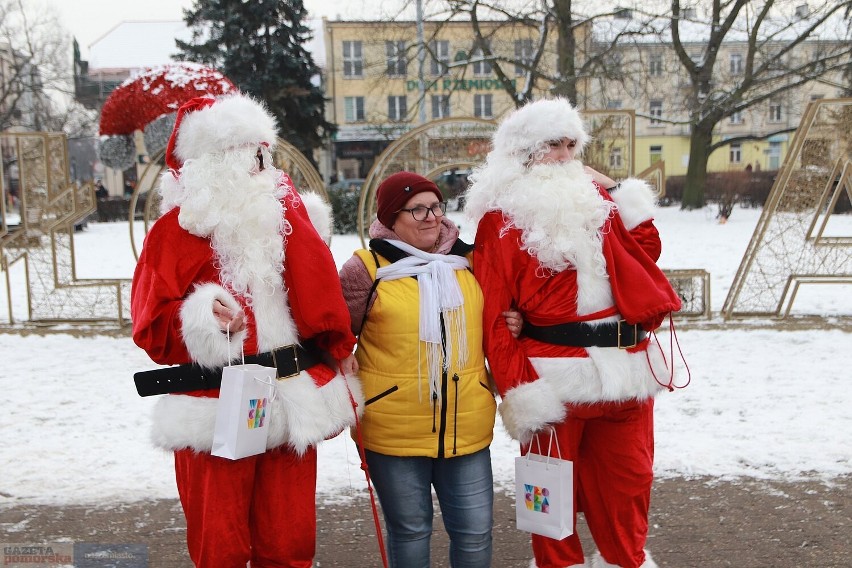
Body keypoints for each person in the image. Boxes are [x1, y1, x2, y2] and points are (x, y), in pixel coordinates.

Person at [131, 93, 363, 568]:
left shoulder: (289, 221)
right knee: (221, 544)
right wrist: (205, 319)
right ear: (211, 165)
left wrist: (339, 347)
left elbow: (320, 297)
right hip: (216, 405)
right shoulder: (174, 233)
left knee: (290, 541)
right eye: (249, 154)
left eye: (265, 154)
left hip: (288, 397)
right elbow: (152, 326)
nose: (263, 167)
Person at [464, 98, 683, 568]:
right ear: (524, 154)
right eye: (552, 146)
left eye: (571, 145)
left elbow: (647, 249)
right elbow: (493, 320)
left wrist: (621, 189)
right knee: (549, 506)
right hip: (552, 381)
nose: (565, 156)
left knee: (629, 490)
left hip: (626, 376)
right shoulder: (499, 223)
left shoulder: (599, 204)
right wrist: (522, 391)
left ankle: (625, 561)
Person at [339, 171, 521, 568]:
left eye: (435, 206)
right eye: (416, 209)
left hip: (466, 425)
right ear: (391, 218)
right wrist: (338, 354)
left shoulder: (471, 261)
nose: (430, 216)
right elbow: (332, 332)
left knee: (475, 533)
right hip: (392, 429)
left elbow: (502, 314)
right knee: (411, 531)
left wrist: (517, 321)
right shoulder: (365, 269)